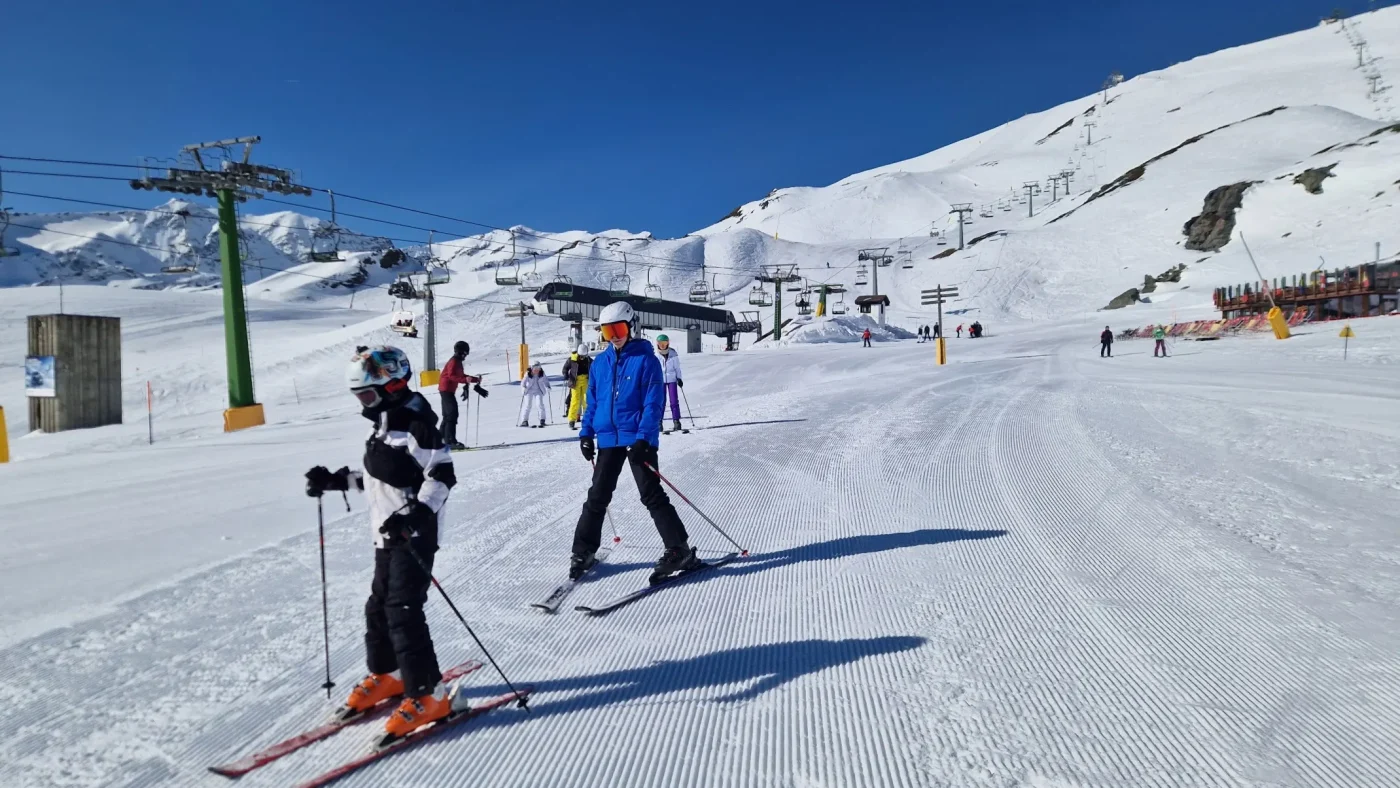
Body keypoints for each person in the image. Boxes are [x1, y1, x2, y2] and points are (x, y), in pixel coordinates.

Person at [305, 346, 457, 742]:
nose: (363, 404)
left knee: (403, 610)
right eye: (359, 397)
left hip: (413, 535)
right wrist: (336, 481)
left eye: (367, 396)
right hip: (386, 532)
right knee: (378, 606)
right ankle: (389, 674)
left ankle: (430, 694)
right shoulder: (387, 421)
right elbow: (380, 479)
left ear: (392, 385)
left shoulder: (417, 421)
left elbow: (441, 475)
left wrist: (415, 516)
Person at [572, 301, 700, 582]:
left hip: (637, 438)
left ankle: (679, 549)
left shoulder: (647, 360)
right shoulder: (600, 364)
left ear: (631, 327)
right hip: (608, 438)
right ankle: (583, 551)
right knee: (597, 496)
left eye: (618, 328)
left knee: (650, 493)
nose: (614, 335)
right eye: (608, 331)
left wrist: (645, 438)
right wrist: (586, 433)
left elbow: (654, 403)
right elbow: (592, 402)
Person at [437, 341, 480, 451]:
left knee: (447, 416)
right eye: (466, 353)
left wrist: (475, 379)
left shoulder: (458, 361)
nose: (466, 355)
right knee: (452, 414)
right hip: (446, 390)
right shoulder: (454, 361)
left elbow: (461, 376)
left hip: (447, 390)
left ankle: (439, 439)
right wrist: (465, 380)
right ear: (462, 352)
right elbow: (451, 376)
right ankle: (450, 441)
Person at [655, 334, 684, 433]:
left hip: (672, 379)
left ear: (668, 343)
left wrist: (679, 378)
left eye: (664, 343)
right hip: (660, 381)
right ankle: (659, 423)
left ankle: (676, 421)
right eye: (660, 344)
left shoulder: (673, 353)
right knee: (661, 402)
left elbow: (677, 368)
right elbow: (653, 370)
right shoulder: (655, 355)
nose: (662, 346)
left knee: (674, 401)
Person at [564, 344, 591, 430]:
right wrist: (566, 375)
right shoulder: (572, 359)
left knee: (586, 400)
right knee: (575, 400)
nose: (582, 358)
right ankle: (572, 420)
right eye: (581, 356)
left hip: (586, 380)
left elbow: (595, 367)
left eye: (584, 356)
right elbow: (565, 368)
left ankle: (587, 420)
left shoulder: (589, 360)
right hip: (575, 382)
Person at [518, 362, 551, 427]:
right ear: (531, 368)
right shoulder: (528, 374)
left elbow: (546, 381)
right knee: (528, 404)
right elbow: (523, 383)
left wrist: (548, 387)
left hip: (538, 390)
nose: (536, 370)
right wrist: (523, 389)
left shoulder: (542, 374)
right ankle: (524, 421)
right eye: (534, 368)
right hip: (529, 390)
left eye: (538, 368)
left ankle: (542, 420)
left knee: (540, 404)